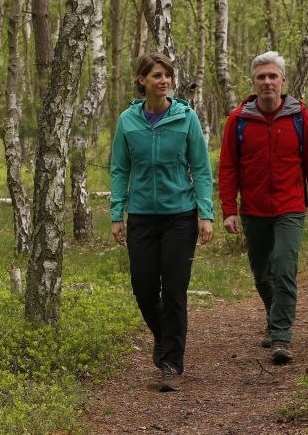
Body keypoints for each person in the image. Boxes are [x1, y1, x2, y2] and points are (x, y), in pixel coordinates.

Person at [110, 52, 214, 392]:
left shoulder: (186, 118)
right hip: (141, 215)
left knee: (173, 289)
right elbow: (120, 168)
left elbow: (200, 167)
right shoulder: (127, 120)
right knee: (142, 287)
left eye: (167, 75)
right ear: (142, 80)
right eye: (156, 75)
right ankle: (164, 336)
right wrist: (116, 213)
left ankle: (171, 363)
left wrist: (206, 214)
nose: (164, 80)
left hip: (180, 216)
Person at [218, 51, 308, 365]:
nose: (267, 82)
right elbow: (228, 168)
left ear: (282, 81)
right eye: (261, 77)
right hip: (253, 209)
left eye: (273, 76)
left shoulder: (299, 116)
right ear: (253, 82)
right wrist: (229, 209)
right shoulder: (239, 120)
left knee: (283, 265)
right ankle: (273, 314)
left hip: (290, 207)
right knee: (261, 272)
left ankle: (281, 335)